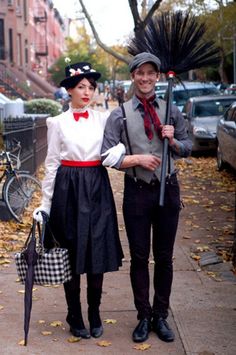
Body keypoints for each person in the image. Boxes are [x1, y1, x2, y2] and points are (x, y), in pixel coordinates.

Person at [101, 52, 192, 343]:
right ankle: (143, 315)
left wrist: (173, 139)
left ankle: (160, 316)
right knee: (140, 257)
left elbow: (189, 146)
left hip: (169, 187)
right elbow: (107, 156)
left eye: (151, 73)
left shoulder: (170, 110)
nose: (145, 78)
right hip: (137, 191)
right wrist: (136, 158)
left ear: (157, 76)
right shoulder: (120, 113)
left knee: (164, 257)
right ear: (133, 77)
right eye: (140, 73)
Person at [33, 61, 124, 339]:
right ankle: (74, 314)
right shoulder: (56, 122)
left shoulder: (104, 119)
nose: (87, 92)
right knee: (70, 254)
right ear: (70, 90)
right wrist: (45, 205)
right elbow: (51, 164)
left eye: (91, 87)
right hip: (67, 190)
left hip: (96, 187)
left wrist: (120, 149)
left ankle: (95, 312)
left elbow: (117, 149)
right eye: (81, 87)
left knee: (96, 251)